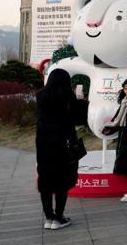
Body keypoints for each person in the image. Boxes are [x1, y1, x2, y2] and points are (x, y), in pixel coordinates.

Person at [36, 69, 88, 230]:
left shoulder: (40, 96)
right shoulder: (67, 97)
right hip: (63, 144)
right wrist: (80, 100)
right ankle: (59, 218)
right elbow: (79, 119)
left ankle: (49, 218)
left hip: (43, 144)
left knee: (45, 180)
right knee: (61, 181)